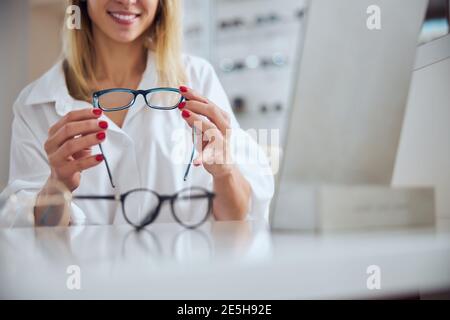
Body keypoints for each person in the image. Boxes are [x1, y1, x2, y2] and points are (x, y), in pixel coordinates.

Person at [3, 0, 273, 227]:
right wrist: (57, 185)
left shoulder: (198, 78)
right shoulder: (35, 105)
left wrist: (224, 173)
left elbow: (237, 221)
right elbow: (32, 237)